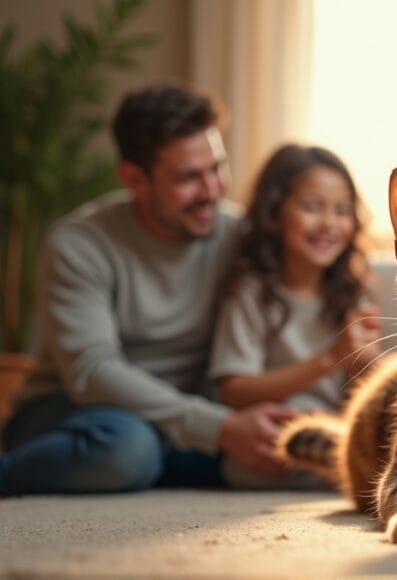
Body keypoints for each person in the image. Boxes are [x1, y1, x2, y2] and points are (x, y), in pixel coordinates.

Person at [0, 84, 295, 495]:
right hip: (76, 409)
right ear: (134, 179)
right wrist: (220, 428)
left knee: (279, 447)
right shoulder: (78, 244)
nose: (212, 190)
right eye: (189, 177)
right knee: (128, 451)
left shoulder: (237, 234)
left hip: (185, 409)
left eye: (217, 167)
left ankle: (158, 461)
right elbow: (92, 373)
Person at [211, 144, 381, 488]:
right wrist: (330, 358)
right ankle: (337, 465)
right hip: (275, 432)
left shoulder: (352, 293)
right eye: (312, 207)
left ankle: (341, 461)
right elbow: (234, 390)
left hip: (334, 424)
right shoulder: (252, 293)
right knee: (280, 441)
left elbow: (360, 391)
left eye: (342, 210)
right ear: (274, 213)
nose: (329, 223)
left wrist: (364, 364)